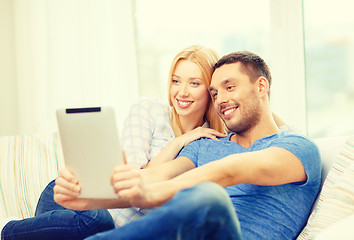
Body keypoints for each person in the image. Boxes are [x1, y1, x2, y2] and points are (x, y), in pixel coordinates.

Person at [54, 51, 321, 240]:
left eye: (230, 87)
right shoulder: (205, 145)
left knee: (209, 197)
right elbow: (150, 175)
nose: (221, 99)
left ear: (261, 86)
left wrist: (147, 195)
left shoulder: (298, 147)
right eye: (214, 93)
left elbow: (230, 171)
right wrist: (90, 191)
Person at [0, 45, 227, 240]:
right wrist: (178, 143)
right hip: (75, 199)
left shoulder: (207, 143)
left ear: (210, 91)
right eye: (176, 81)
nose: (182, 91)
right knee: (98, 219)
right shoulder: (148, 110)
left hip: (113, 230)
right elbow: (131, 177)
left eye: (194, 83)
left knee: (101, 227)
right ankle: (6, 230)